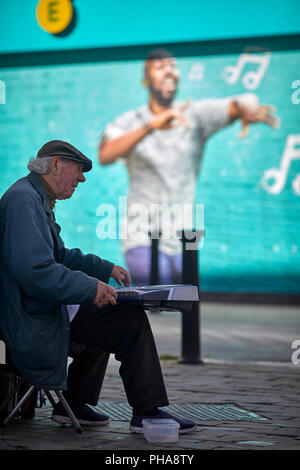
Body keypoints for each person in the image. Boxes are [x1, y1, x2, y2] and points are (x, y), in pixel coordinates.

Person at [0, 140, 196, 433]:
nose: (82, 178)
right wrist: (90, 287)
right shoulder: (24, 201)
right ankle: (147, 411)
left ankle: (74, 402)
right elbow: (36, 271)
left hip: (34, 312)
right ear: (55, 165)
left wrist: (103, 269)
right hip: (27, 322)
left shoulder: (33, 197)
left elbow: (60, 256)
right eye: (78, 170)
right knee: (128, 321)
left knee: (103, 308)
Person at [99, 48, 280, 285]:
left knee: (186, 308)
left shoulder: (196, 116)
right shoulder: (130, 121)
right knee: (155, 304)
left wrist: (247, 106)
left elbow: (238, 102)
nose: (169, 71)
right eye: (160, 67)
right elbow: (105, 154)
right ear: (146, 79)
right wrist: (150, 127)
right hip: (142, 236)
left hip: (184, 238)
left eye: (173, 66)